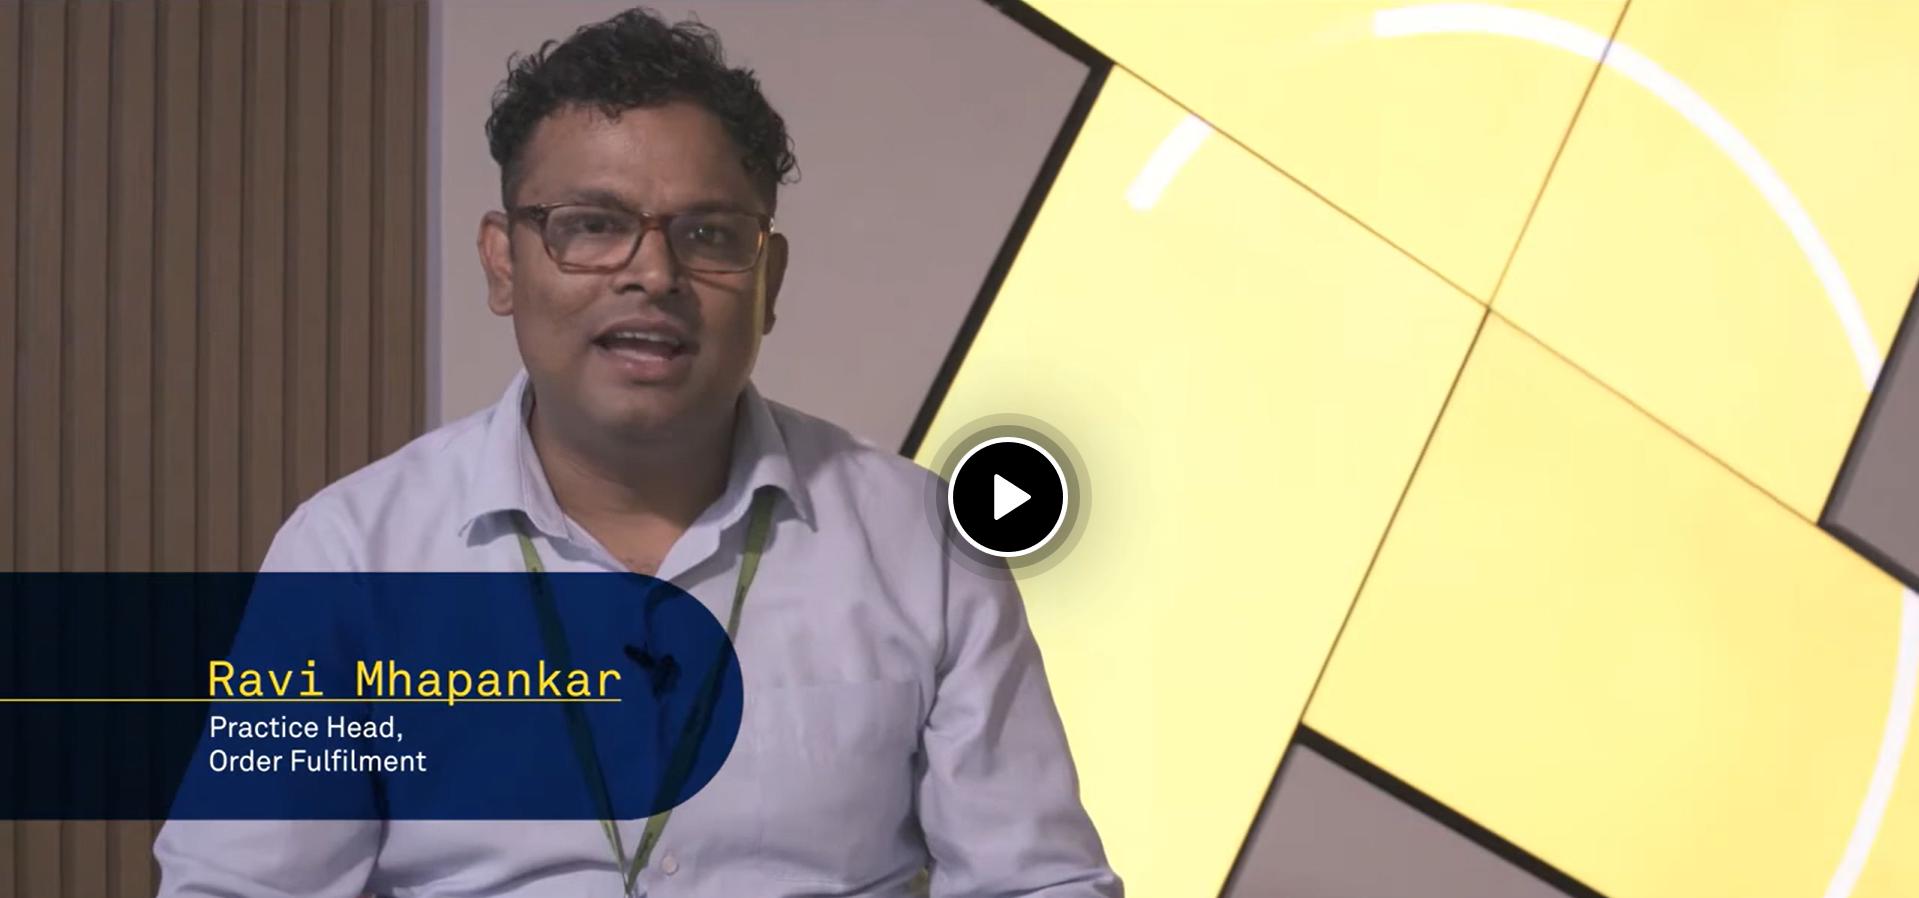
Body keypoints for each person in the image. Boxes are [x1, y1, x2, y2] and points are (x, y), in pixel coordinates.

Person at [155, 7, 1120, 897]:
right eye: (592, 227)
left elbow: (1038, 884)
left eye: (708, 234)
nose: (653, 274)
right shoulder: (353, 557)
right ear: (503, 261)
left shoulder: (922, 546)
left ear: (769, 279)